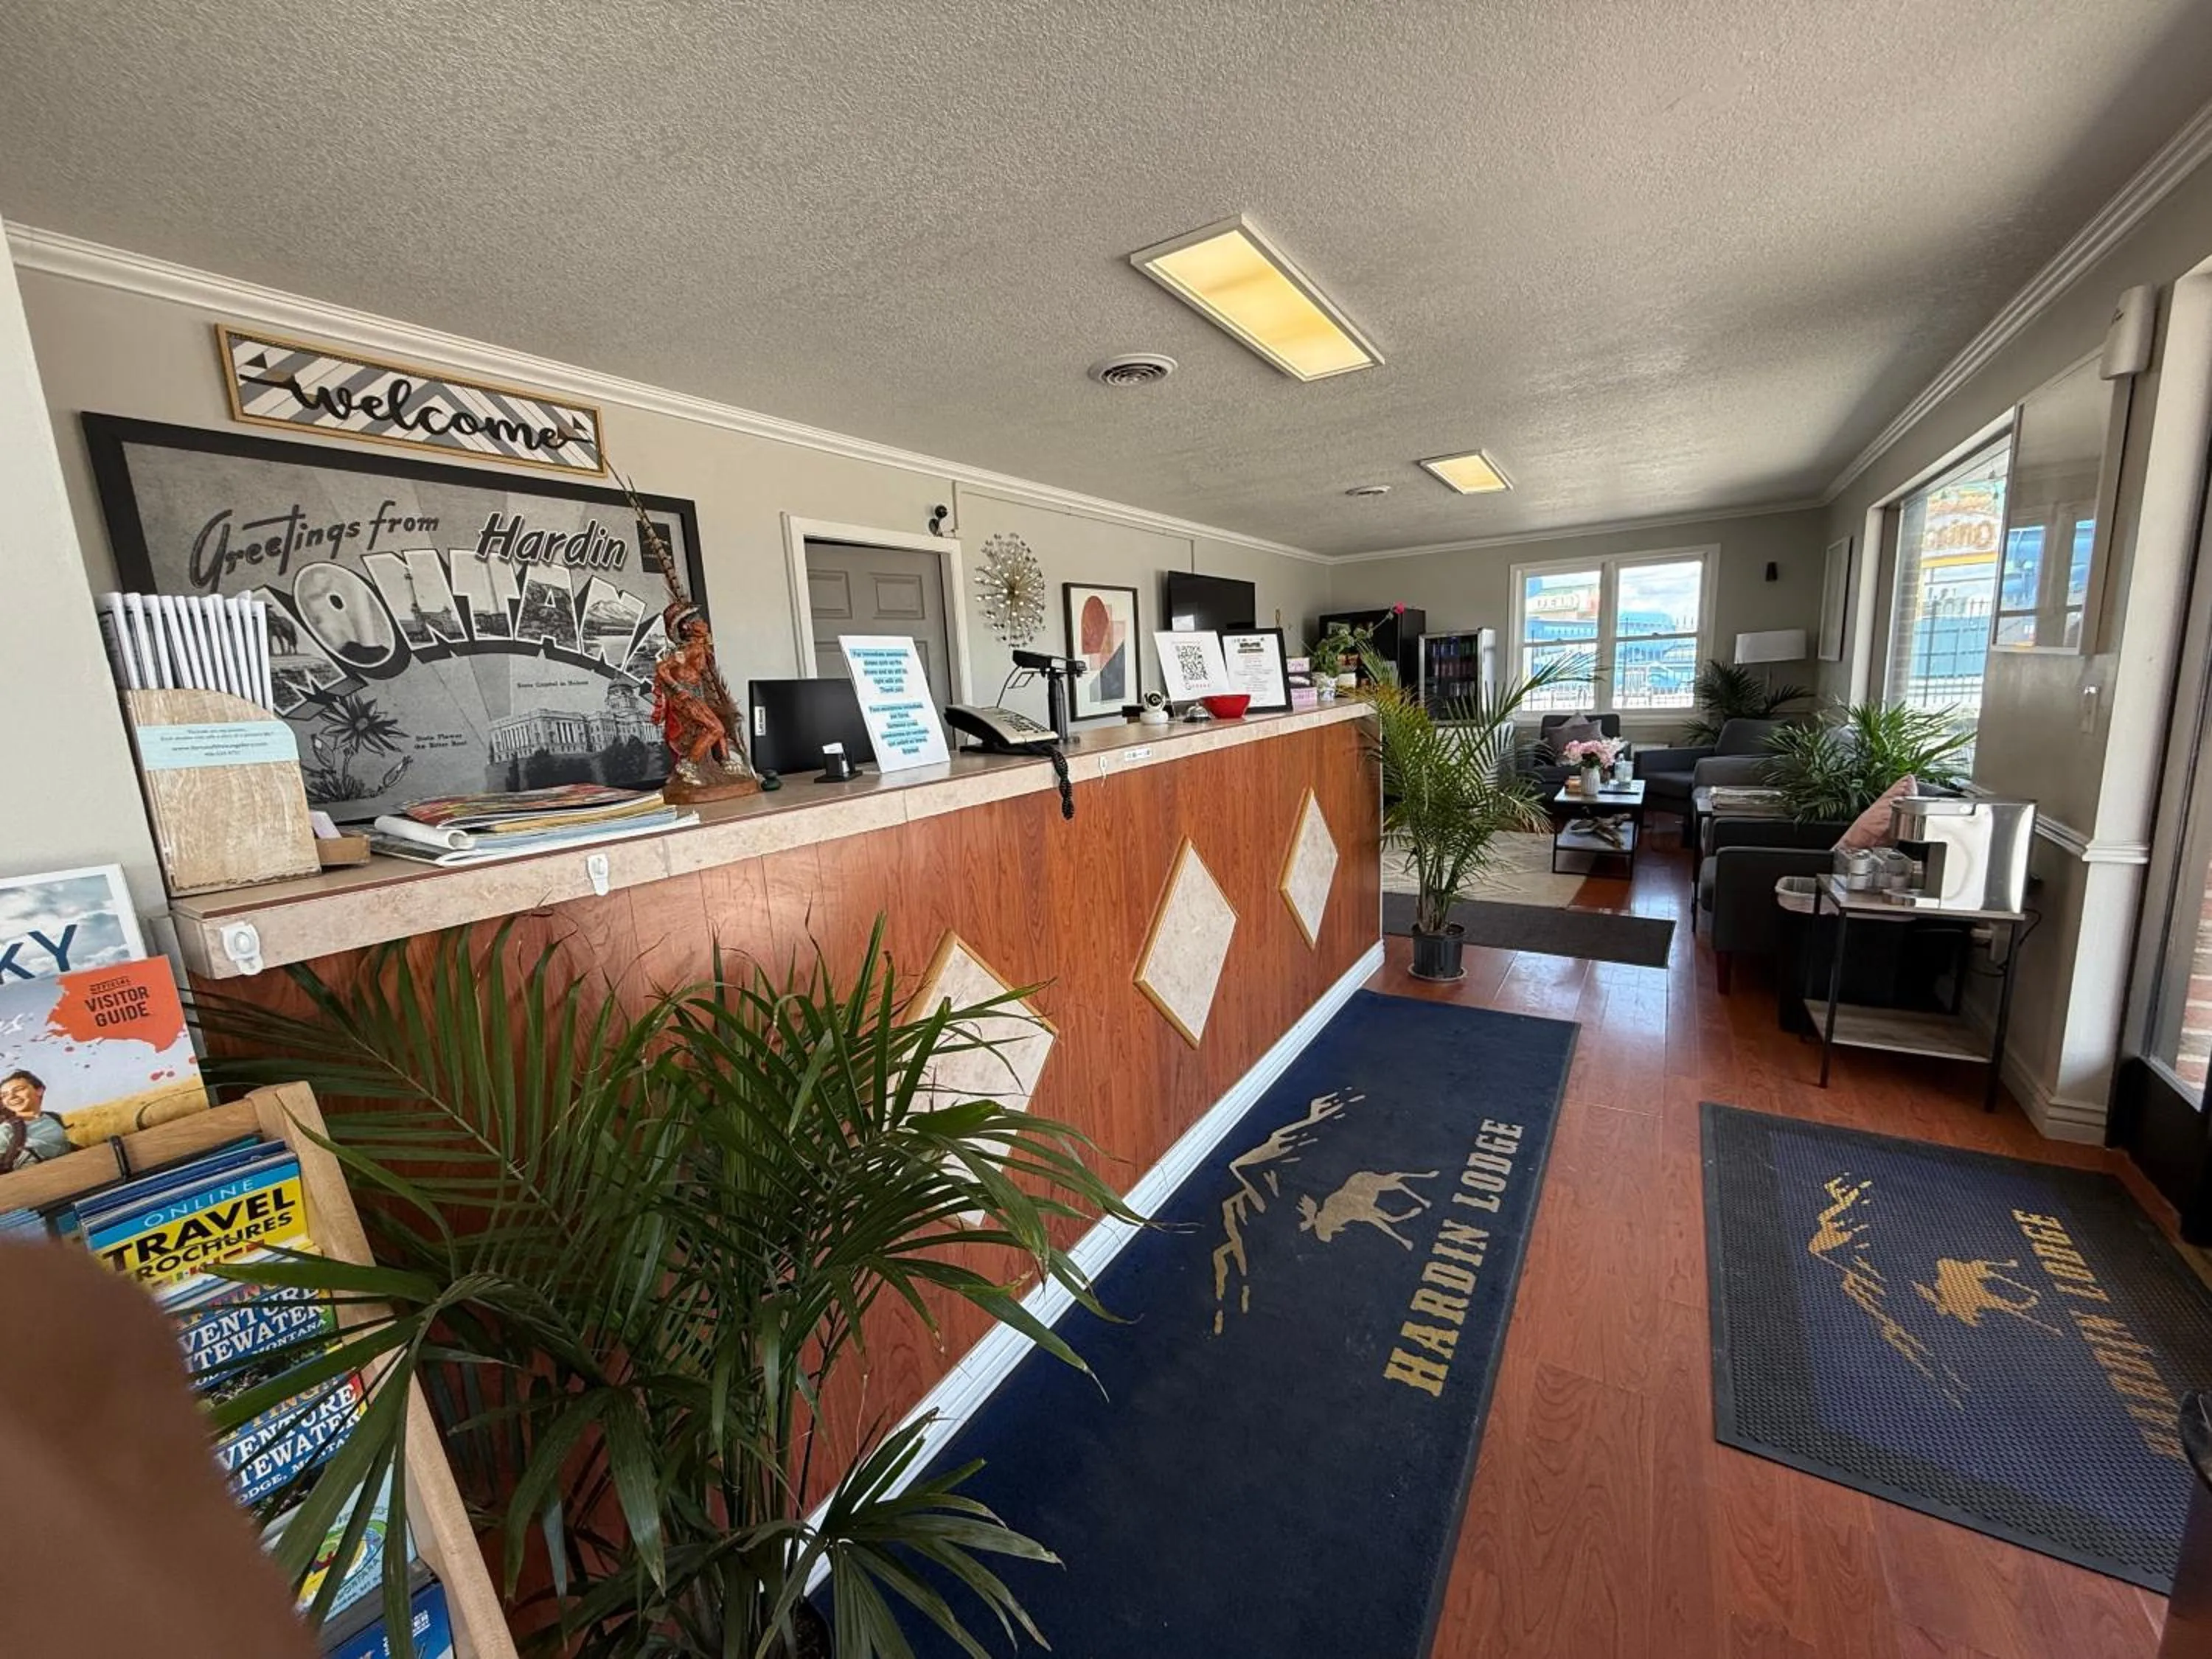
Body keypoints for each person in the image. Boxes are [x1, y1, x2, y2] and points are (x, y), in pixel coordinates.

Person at [0, 1070, 69, 1172]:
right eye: (4, 1095)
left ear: (39, 1090)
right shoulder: (7, 1129)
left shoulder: (53, 1117)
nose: (12, 1097)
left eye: (19, 1089)